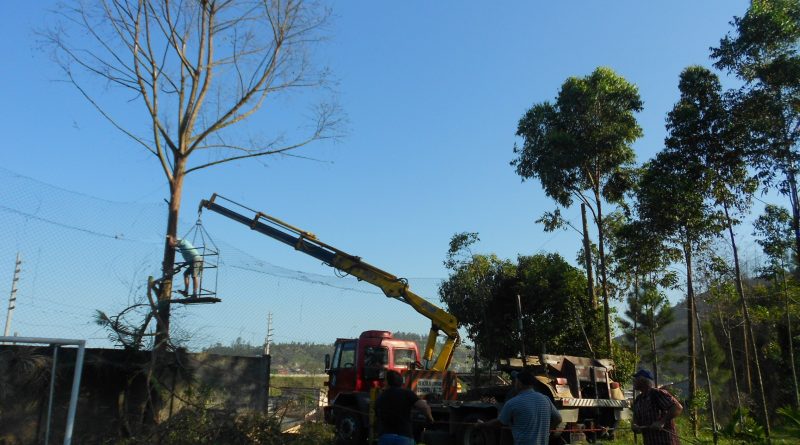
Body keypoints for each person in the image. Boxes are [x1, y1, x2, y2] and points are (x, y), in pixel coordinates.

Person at [478, 370, 562, 445]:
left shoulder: (512, 403)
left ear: (519, 383)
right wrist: (548, 430)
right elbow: (558, 419)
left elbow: (499, 422)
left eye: (516, 381)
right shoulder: (545, 399)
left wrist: (482, 425)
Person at [375, 370, 434, 445]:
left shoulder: (380, 396)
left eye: (384, 380)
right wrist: (430, 418)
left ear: (387, 382)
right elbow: (424, 407)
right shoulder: (407, 393)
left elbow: (377, 414)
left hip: (385, 437)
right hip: (404, 437)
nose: (383, 382)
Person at [631, 369, 683, 445]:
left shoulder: (657, 393)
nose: (634, 381)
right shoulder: (638, 399)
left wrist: (661, 422)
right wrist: (635, 426)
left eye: (636, 379)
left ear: (643, 381)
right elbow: (636, 419)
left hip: (665, 441)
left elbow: (677, 408)